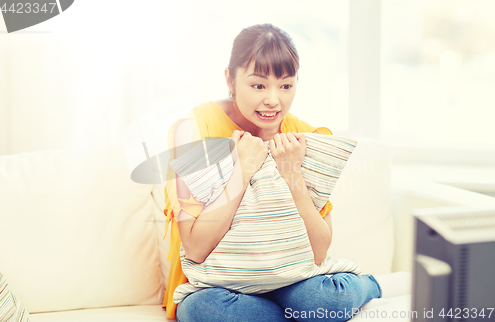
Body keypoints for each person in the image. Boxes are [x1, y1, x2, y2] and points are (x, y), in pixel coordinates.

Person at [161, 23, 382, 322]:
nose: (273, 100)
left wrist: (292, 174)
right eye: (258, 85)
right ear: (230, 78)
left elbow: (317, 253)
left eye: (286, 85)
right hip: (217, 285)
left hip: (292, 279)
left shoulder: (306, 137)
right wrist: (242, 170)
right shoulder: (195, 132)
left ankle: (369, 286)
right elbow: (197, 248)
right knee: (205, 311)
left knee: (323, 299)